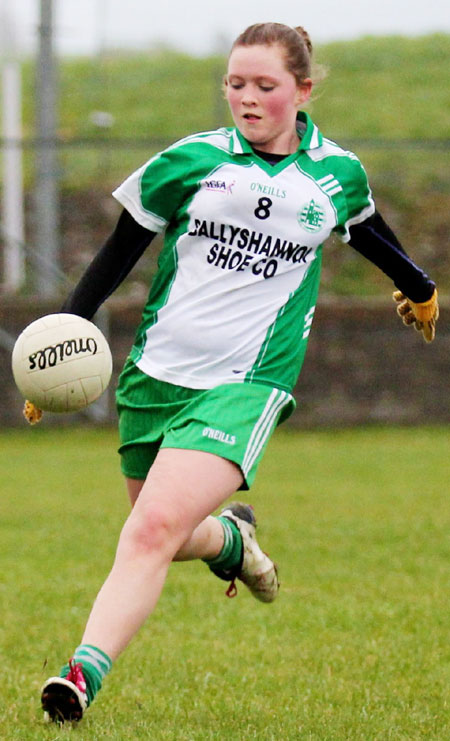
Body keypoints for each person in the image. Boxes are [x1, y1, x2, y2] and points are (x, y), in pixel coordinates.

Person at [39, 22, 438, 723]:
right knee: (161, 529)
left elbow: (370, 233)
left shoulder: (334, 174)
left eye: (264, 86)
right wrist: (63, 337)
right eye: (235, 84)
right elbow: (116, 254)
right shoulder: (189, 162)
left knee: (149, 529)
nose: (246, 98)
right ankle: (233, 538)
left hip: (247, 382)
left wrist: (421, 287)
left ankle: (80, 674)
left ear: (303, 90)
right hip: (156, 375)